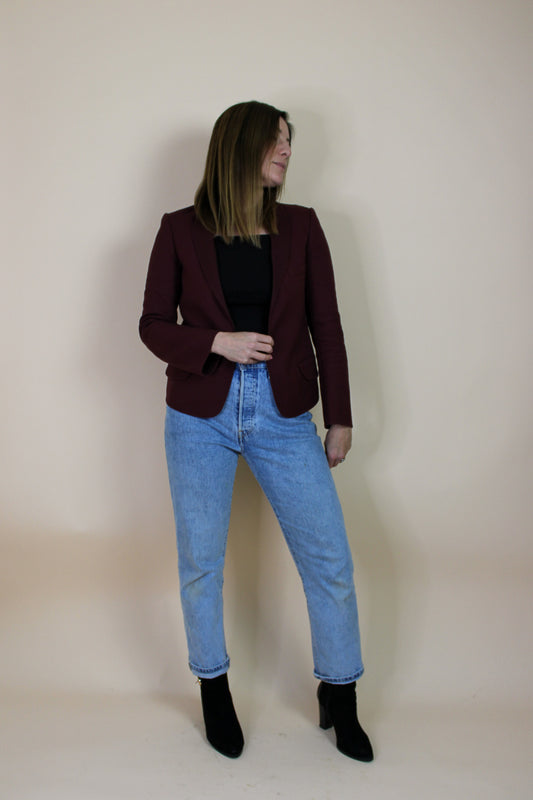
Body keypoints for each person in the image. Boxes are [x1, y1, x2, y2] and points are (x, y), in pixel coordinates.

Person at [139, 100, 373, 762]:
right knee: (201, 561)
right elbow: (152, 323)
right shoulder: (179, 229)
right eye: (276, 139)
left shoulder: (301, 226)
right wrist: (217, 341)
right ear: (239, 146)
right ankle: (213, 688)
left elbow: (327, 323)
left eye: (289, 140)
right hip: (199, 415)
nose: (288, 150)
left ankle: (340, 694)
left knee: (328, 558)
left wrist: (340, 416)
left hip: (283, 411)